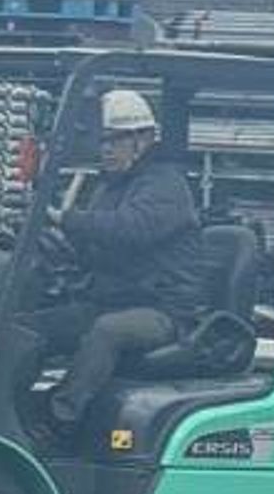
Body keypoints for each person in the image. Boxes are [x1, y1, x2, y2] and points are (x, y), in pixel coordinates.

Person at [21, 89, 210, 435]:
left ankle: (62, 418)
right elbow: (98, 241)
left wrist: (69, 220)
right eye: (103, 141)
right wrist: (62, 242)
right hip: (118, 298)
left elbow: (130, 229)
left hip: (166, 309)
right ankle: (13, 410)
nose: (105, 149)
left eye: (115, 140)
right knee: (30, 328)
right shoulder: (113, 186)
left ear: (144, 139)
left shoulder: (165, 185)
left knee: (108, 331)